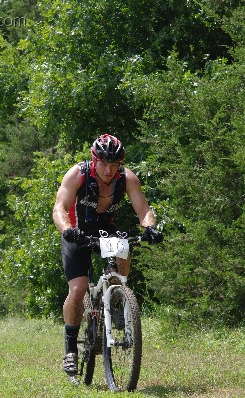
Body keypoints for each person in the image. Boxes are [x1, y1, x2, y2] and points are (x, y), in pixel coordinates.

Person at [52, 134, 163, 377]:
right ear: (95, 160)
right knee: (79, 288)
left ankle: (117, 302)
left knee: (122, 256)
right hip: (77, 231)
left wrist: (150, 228)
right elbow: (59, 207)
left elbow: (143, 208)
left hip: (105, 230)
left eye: (114, 165)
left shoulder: (127, 178)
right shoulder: (78, 174)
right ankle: (71, 348)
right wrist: (68, 230)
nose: (109, 170)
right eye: (104, 163)